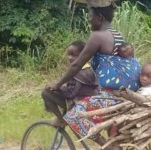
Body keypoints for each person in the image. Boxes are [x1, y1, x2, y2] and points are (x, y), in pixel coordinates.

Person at [45, 3, 141, 149]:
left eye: (91, 16)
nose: (89, 20)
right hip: (124, 94)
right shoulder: (116, 34)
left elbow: (77, 65)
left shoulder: (97, 36)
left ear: (99, 17)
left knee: (74, 116)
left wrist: (57, 84)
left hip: (110, 95)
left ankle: (106, 146)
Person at [42, 41, 99, 127]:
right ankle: (63, 117)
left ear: (83, 56)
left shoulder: (78, 71)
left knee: (45, 93)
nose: (70, 58)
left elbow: (71, 93)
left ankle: (61, 120)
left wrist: (58, 88)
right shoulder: (88, 67)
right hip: (90, 101)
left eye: (74, 55)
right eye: (69, 54)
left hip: (80, 104)